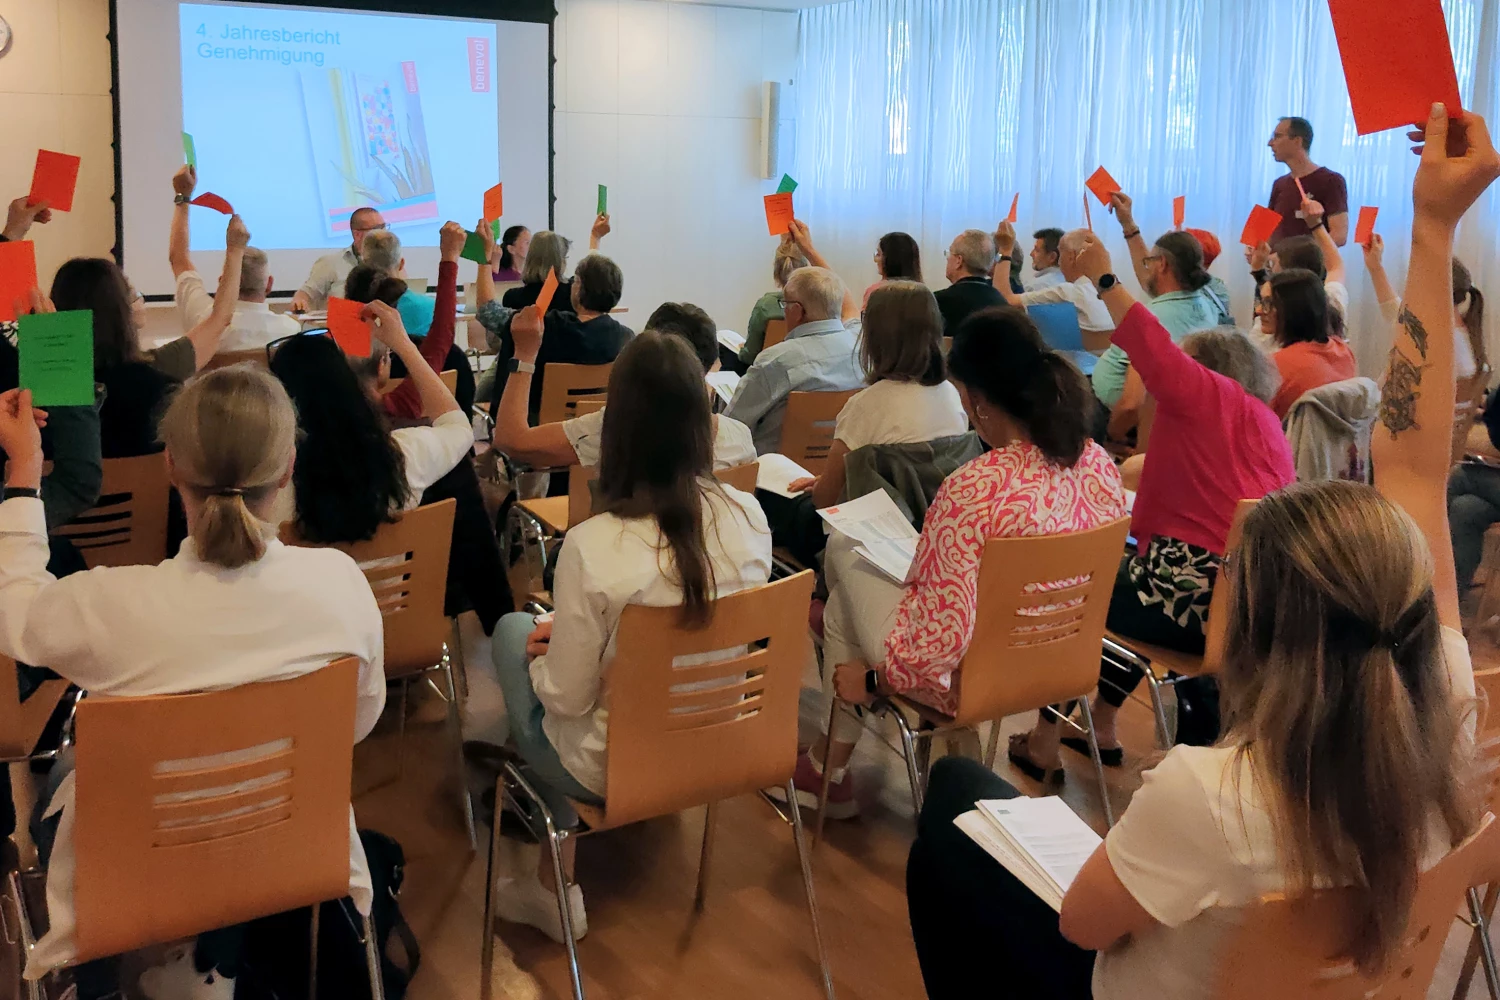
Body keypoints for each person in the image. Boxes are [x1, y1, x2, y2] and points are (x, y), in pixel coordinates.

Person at [904, 103, 1495, 1000]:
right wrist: (1434, 225)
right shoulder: (1445, 715)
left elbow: (1083, 927)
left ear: (1252, 628)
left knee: (951, 803)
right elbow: (1414, 464)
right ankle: (1076, 720)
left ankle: (1058, 723)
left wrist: (1431, 222)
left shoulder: (1214, 797)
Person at [0, 366, 385, 999]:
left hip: (142, 867)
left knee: (63, 784)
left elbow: (16, 611)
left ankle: (93, 985)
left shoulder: (114, 608)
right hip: (291, 847)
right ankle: (212, 962)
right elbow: (357, 724)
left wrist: (23, 473)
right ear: (289, 466)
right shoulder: (340, 583)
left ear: (170, 465)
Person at [772, 304, 1127, 816]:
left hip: (971, 674)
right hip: (1061, 660)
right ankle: (837, 762)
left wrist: (872, 681)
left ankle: (830, 766)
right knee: (848, 609)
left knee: (847, 549)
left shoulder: (973, 489)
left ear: (980, 404)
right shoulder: (1096, 462)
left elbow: (938, 643)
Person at [483, 330, 772, 941]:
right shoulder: (750, 517)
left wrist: (547, 656)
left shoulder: (593, 546)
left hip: (615, 764)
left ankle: (552, 886)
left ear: (614, 429)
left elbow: (566, 700)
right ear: (706, 424)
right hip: (728, 736)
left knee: (514, 633)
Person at [1011, 233, 1295, 775]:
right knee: (1126, 572)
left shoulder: (1208, 396)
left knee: (1073, 591)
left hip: (1188, 600)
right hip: (1249, 606)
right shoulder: (1261, 422)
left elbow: (1150, 344)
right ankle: (1103, 724)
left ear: (1206, 375)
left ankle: (1045, 741)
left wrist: (1104, 276)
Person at [268, 300, 473, 544]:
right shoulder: (402, 457)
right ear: (349, 384)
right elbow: (458, 426)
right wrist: (404, 346)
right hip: (396, 582)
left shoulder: (267, 491)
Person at [51, 217, 247, 459]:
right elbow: (220, 320)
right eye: (133, 294)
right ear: (121, 312)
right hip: (150, 496)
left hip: (65, 497)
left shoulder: (41, 390)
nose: (141, 300)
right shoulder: (159, 371)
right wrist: (235, 251)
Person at [491, 301, 755, 471]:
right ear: (711, 365)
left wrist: (525, 355)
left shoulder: (612, 430)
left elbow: (511, 441)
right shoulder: (739, 439)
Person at [725, 222, 863, 456]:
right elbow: (847, 300)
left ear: (797, 311)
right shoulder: (860, 346)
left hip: (775, 476)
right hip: (837, 472)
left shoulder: (774, 362)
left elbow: (732, 426)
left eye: (785, 305)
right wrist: (808, 248)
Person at [1094, 193, 1232, 417]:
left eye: (1151, 260)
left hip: (1118, 416)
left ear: (1163, 265)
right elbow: (1147, 277)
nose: (1147, 265)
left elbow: (1132, 402)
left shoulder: (1156, 318)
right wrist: (1128, 224)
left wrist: (1112, 437)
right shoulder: (1207, 296)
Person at [481, 251, 633, 427]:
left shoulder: (541, 327)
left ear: (578, 289)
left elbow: (487, 311)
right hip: (591, 432)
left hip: (532, 434)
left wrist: (485, 260)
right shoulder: (626, 341)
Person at [344, 220, 470, 419]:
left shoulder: (324, 403)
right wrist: (449, 258)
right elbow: (440, 339)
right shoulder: (398, 405)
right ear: (381, 365)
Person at [168, 166, 298, 355]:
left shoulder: (203, 323)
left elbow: (178, 259)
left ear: (223, 282)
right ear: (269, 284)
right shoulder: (290, 333)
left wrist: (182, 196)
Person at [992, 225, 1114, 345]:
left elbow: (1004, 299)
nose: (1059, 262)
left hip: (1063, 361)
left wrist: (1005, 250)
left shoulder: (1066, 292)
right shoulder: (1110, 293)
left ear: (1071, 257)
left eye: (1061, 254)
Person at [1265, 268, 1357, 418]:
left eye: (1268, 303)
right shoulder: (1344, 351)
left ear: (1290, 309)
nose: (1259, 309)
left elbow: (1257, 423)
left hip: (1288, 439)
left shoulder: (1275, 366)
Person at [1267, 116, 1349, 245]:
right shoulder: (1279, 184)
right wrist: (1258, 249)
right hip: (1279, 264)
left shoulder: (1331, 181)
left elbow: (1339, 236)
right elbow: (1269, 232)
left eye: (1277, 136)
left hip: (1310, 265)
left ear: (1297, 141)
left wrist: (1295, 256)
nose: (1270, 143)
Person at [498, 216, 608, 311]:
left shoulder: (512, 298)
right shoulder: (573, 294)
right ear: (560, 261)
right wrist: (595, 238)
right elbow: (593, 277)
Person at [290, 206, 386, 312]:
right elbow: (304, 294)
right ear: (357, 234)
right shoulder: (330, 263)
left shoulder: (390, 263)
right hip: (337, 325)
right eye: (377, 229)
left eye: (384, 227)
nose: (384, 234)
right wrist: (299, 303)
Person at [741, 238, 810, 368]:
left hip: (765, 371)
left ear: (776, 272)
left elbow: (750, 355)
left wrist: (742, 352)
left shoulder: (766, 306)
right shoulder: (816, 307)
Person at [932, 229, 1002, 332]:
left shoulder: (937, 303)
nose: (947, 259)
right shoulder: (1001, 302)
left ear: (958, 261)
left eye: (949, 253)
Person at [862, 232, 923, 308]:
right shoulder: (924, 295)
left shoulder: (875, 293)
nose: (876, 260)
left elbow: (867, 319)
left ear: (891, 259)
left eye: (879, 254)